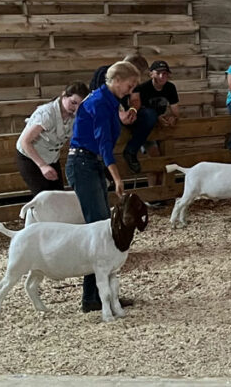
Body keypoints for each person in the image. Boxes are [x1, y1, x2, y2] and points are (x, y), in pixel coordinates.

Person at [67, 60, 141, 313]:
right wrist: (116, 176)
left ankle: (99, 295)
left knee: (101, 228)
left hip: (92, 163)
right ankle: (93, 297)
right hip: (84, 163)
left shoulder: (109, 101)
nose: (130, 91)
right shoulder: (99, 102)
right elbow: (104, 143)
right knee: (99, 230)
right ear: (116, 80)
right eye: (129, 85)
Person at [15, 82, 89, 195]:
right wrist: (42, 166)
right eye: (73, 102)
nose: (76, 108)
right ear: (64, 96)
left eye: (80, 105)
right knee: (43, 196)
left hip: (51, 157)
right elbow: (25, 142)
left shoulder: (75, 116)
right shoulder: (47, 114)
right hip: (29, 157)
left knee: (58, 195)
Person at [129, 60, 181, 186]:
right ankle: (153, 192)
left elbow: (176, 110)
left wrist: (173, 117)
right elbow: (139, 110)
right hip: (146, 128)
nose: (162, 76)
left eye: (165, 73)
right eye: (158, 73)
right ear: (151, 74)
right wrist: (157, 118)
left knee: (162, 157)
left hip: (160, 127)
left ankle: (160, 192)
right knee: (155, 157)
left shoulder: (170, 87)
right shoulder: (142, 89)